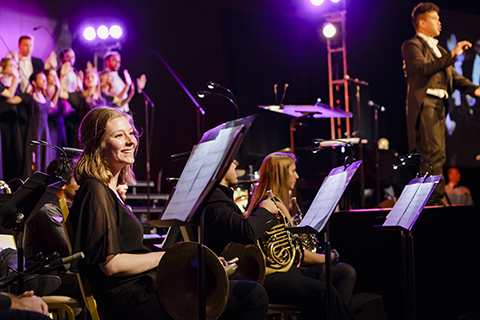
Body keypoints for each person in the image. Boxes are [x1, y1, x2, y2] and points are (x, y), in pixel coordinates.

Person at [67, 107, 268, 320]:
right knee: (251, 296)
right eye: (119, 135)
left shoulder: (109, 191)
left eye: (131, 133)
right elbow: (112, 265)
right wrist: (169, 257)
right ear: (98, 145)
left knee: (233, 290)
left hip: (140, 290)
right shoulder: (95, 189)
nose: (131, 142)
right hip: (129, 302)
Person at [245, 152, 356, 318]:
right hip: (273, 274)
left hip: (282, 269)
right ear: (281, 175)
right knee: (339, 277)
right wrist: (328, 257)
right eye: (293, 171)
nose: (297, 176)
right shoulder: (272, 206)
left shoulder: (271, 202)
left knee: (343, 273)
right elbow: (296, 252)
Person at [401, 2, 480, 205]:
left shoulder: (440, 50)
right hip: (426, 102)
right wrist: (452, 55)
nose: (440, 23)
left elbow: (454, 77)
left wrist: (475, 89)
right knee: (431, 152)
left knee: (438, 153)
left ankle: (432, 199)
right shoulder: (412, 45)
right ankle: (431, 201)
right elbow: (423, 68)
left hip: (438, 106)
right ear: (422, 22)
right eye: (435, 19)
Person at [24, 158, 82, 299]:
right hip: (48, 276)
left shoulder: (68, 207)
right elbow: (70, 249)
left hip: (65, 272)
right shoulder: (46, 210)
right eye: (77, 179)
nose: (81, 184)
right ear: (62, 183)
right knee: (102, 282)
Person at [29, 71, 58, 172]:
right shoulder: (31, 96)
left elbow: (52, 105)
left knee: (45, 153)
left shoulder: (44, 97)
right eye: (41, 79)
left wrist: (57, 89)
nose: (44, 81)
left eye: (45, 79)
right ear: (34, 82)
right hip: (35, 129)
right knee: (35, 154)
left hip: (45, 130)